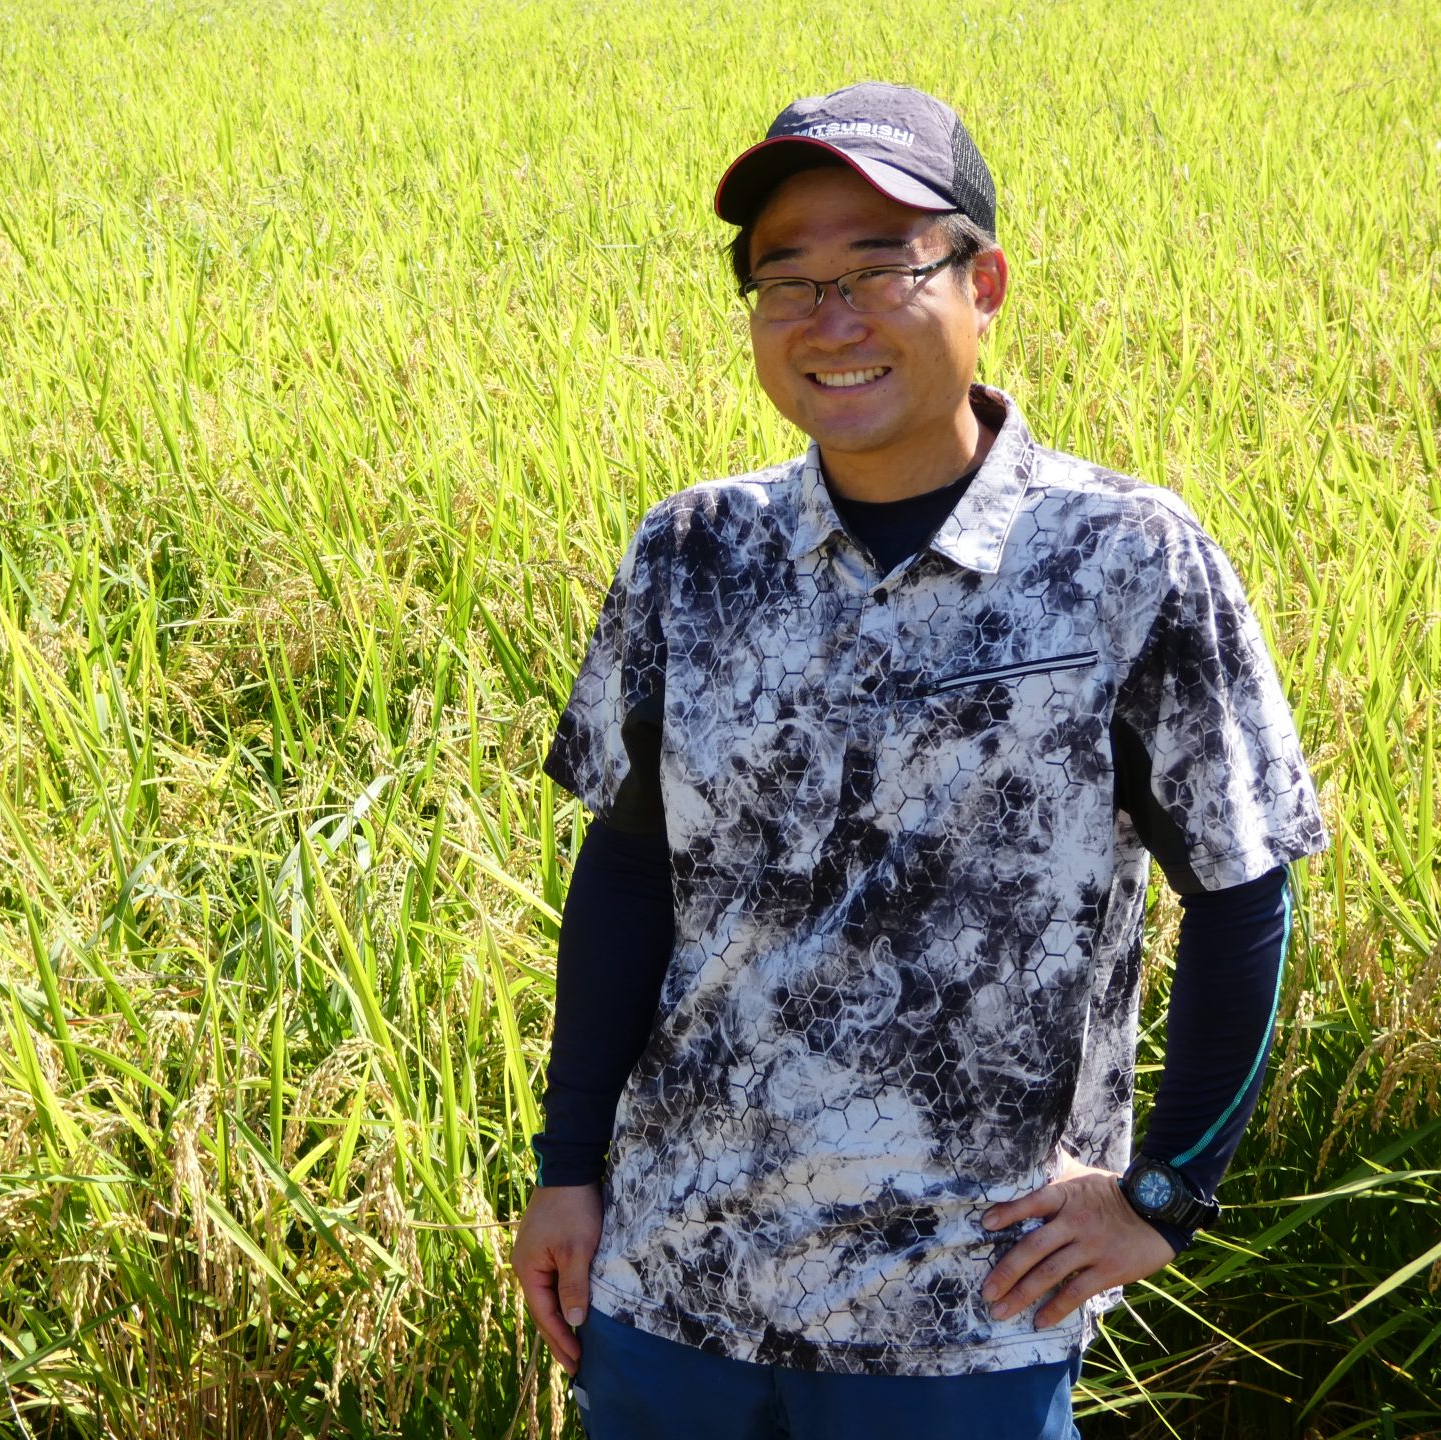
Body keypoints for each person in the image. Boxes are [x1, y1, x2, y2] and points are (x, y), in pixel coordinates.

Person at [510, 82, 1328, 1440]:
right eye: (787, 281)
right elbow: (632, 874)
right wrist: (566, 1167)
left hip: (964, 1313)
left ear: (981, 282)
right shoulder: (693, 553)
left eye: (879, 269)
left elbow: (1246, 886)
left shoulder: (1122, 558)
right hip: (675, 1278)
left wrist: (1169, 1190)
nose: (830, 320)